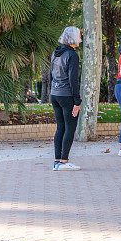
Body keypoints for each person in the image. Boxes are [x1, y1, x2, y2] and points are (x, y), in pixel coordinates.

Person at [49, 26, 83, 171]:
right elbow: (73, 79)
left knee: (60, 127)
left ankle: (57, 161)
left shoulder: (56, 53)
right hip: (66, 95)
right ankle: (64, 161)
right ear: (74, 38)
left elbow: (51, 74)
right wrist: (77, 101)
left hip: (55, 94)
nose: (80, 39)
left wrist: (53, 90)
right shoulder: (72, 55)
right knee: (70, 127)